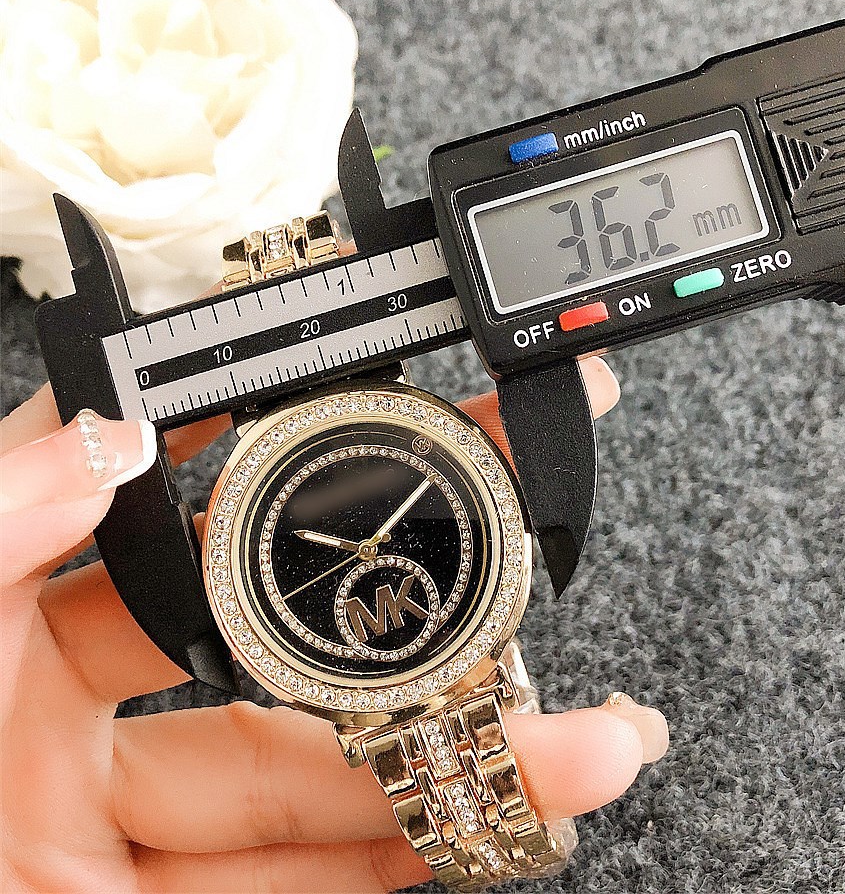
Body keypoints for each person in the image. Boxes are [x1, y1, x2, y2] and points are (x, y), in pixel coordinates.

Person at [0, 357, 669, 893]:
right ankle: (481, 837)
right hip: (366, 675)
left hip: (445, 641)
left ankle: (495, 828)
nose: (370, 549)